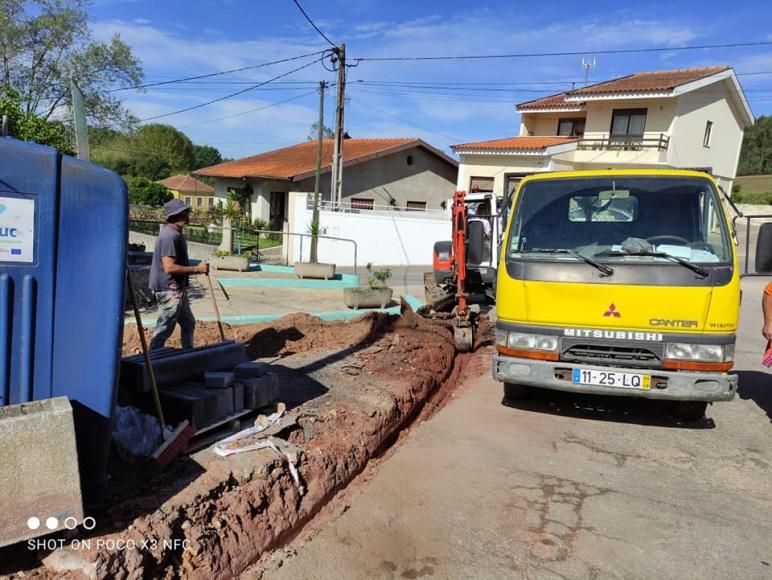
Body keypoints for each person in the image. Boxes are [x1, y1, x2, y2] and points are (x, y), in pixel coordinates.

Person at [149, 199, 209, 350]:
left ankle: (187, 355)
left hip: (177, 289)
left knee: (188, 324)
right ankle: (152, 362)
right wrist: (197, 269)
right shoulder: (170, 236)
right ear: (174, 216)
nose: (188, 217)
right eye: (184, 214)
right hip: (169, 289)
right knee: (164, 328)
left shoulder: (174, 234)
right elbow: (169, 267)